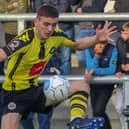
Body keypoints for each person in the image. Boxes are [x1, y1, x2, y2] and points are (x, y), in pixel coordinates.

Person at [0, 5, 117, 129]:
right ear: (36, 22)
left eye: (54, 24)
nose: (50, 29)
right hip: (14, 94)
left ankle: (76, 121)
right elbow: (2, 53)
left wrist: (96, 38)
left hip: (35, 90)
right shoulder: (26, 38)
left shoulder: (57, 35)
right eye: (46, 24)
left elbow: (77, 45)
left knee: (81, 85)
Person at [85, 41, 118, 129]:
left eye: (103, 43)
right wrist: (97, 56)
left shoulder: (113, 49)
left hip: (107, 85)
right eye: (99, 43)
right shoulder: (89, 49)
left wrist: (94, 71)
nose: (100, 46)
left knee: (98, 111)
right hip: (94, 84)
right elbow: (89, 68)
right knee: (97, 113)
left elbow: (112, 70)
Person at [75, 0, 107, 67]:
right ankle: (88, 71)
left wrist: (83, 10)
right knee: (81, 57)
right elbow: (72, 3)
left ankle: (93, 72)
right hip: (82, 28)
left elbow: (98, 8)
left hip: (95, 29)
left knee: (96, 54)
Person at [115, 21, 129, 129]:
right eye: (122, 32)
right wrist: (118, 69)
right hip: (121, 78)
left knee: (127, 107)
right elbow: (117, 58)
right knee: (119, 107)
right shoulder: (118, 41)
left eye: (126, 32)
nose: (123, 35)